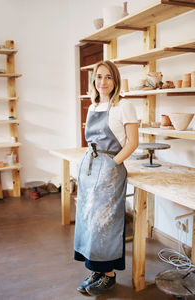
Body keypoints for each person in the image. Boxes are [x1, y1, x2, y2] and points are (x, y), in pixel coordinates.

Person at [74, 60, 139, 296]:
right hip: (91, 168)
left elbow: (132, 142)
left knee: (107, 223)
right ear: (94, 80)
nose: (103, 82)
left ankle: (109, 275)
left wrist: (113, 164)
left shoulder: (123, 106)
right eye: (99, 76)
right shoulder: (92, 106)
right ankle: (96, 271)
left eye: (108, 77)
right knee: (90, 220)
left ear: (116, 80)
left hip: (111, 169)